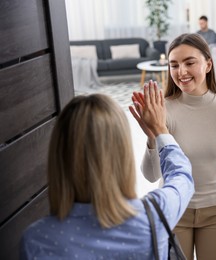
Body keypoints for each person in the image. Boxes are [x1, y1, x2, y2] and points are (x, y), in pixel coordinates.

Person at [131, 33, 216, 260]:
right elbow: (151, 175)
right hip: (174, 210)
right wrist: (152, 136)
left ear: (208, 64)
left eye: (189, 62)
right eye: (174, 65)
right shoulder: (164, 110)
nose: (181, 72)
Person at [20, 88, 194, 259]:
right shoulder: (154, 216)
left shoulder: (37, 240)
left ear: (58, 155)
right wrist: (160, 131)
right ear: (122, 153)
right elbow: (181, 175)